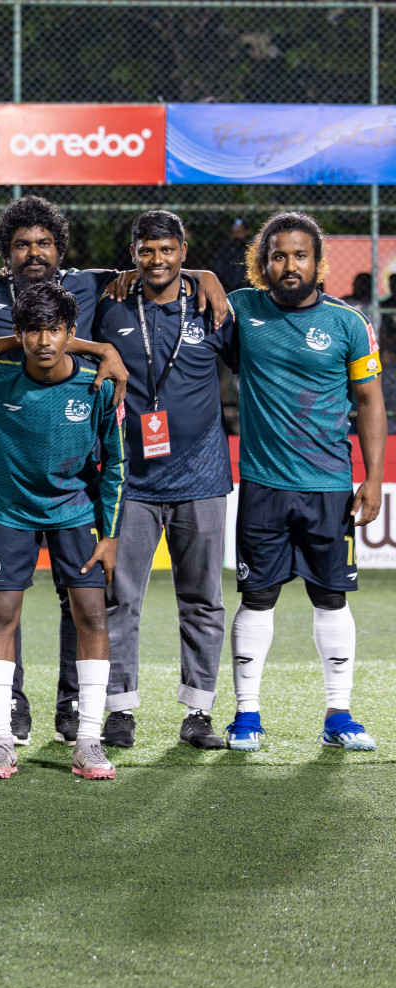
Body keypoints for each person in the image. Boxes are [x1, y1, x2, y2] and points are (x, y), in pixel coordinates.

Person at [0, 194, 227, 743]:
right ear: (5, 253)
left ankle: (75, 706)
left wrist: (207, 274)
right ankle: (14, 708)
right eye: (22, 245)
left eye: (44, 243)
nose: (34, 253)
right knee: (6, 594)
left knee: (78, 596)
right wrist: (99, 343)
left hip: (71, 469)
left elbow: (158, 267)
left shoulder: (93, 283)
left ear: (60, 248)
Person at [0, 283, 126, 781]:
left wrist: (109, 535)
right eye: (32, 331)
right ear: (19, 334)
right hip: (9, 510)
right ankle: (2, 741)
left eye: (55, 330)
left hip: (73, 511)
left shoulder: (99, 385)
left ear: (70, 333)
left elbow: (116, 463)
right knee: (1, 612)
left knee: (91, 613)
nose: (44, 341)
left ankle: (89, 740)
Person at [226, 212, 385, 752]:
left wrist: (372, 479)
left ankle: (338, 715)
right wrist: (202, 276)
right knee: (257, 595)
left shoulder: (349, 323)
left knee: (332, 598)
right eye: (277, 255)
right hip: (263, 485)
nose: (288, 264)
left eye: (299, 255)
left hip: (329, 485)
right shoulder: (241, 310)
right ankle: (247, 715)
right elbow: (178, 292)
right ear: (262, 263)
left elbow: (369, 402)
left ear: (318, 262)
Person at [91, 210, 234, 749]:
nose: (157, 261)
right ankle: (119, 710)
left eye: (167, 250)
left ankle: (198, 713)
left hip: (201, 478)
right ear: (133, 253)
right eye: (146, 251)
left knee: (202, 598)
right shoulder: (111, 307)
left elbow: (252, 363)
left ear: (183, 249)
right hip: (132, 481)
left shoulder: (211, 308)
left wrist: (210, 279)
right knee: (119, 598)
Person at [212, 218, 250, 293]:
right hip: (226, 288)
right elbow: (219, 269)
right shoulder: (225, 250)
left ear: (246, 232)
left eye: (239, 232)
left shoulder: (251, 250)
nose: (236, 235)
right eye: (234, 232)